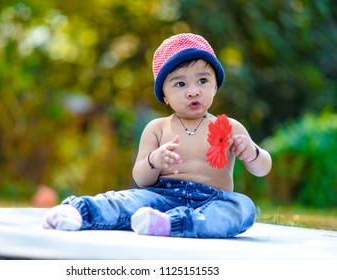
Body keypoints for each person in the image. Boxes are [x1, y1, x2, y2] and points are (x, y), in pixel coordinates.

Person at [42, 33, 272, 238]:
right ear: (165, 95)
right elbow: (142, 179)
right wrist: (154, 160)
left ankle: (169, 224)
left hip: (212, 202)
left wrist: (252, 152)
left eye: (203, 80)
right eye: (180, 84)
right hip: (162, 195)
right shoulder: (158, 127)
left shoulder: (230, 126)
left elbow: (263, 169)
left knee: (242, 207)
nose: (193, 90)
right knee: (128, 200)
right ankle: (80, 212)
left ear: (215, 86)